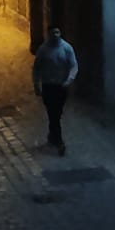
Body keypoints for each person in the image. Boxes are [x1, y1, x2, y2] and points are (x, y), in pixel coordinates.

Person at [32, 25, 78, 155]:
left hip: (61, 86)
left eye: (57, 32)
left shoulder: (66, 48)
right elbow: (36, 68)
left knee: (56, 113)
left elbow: (73, 65)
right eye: (53, 33)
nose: (55, 35)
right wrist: (36, 85)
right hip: (48, 85)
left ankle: (53, 136)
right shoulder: (43, 50)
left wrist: (69, 80)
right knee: (53, 113)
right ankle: (59, 141)